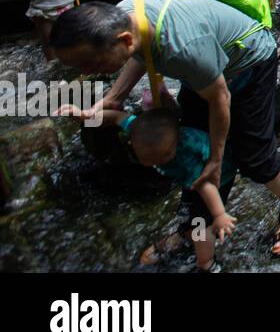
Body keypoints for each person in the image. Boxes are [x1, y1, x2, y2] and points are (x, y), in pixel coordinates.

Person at [51, 0, 280, 257]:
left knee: (251, 152)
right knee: (189, 155)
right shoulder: (122, 17)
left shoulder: (182, 49)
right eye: (80, 67)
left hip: (249, 61)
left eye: (92, 64)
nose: (89, 72)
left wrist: (216, 159)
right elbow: (141, 52)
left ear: (124, 40)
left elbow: (220, 99)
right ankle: (193, 228)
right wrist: (115, 98)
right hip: (208, 65)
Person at [60, 105, 238, 271]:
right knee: (189, 208)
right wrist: (85, 117)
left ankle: (208, 263)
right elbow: (116, 117)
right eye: (144, 156)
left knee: (201, 223)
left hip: (214, 177)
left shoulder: (184, 160)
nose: (150, 162)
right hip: (193, 178)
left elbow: (205, 186)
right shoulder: (141, 131)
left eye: (158, 159)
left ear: (171, 152)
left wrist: (219, 215)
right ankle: (186, 234)